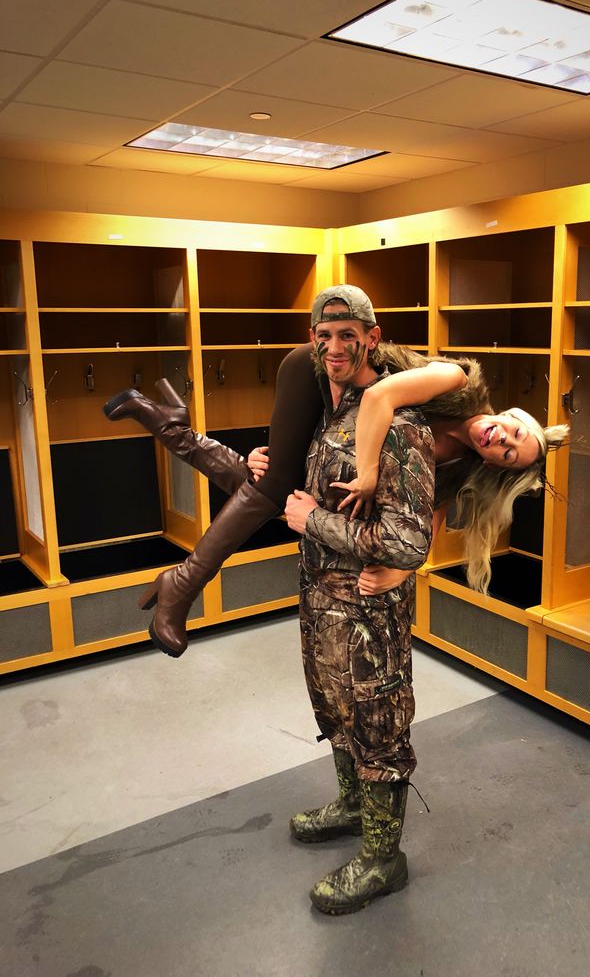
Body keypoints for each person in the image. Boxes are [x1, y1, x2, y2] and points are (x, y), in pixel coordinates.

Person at [103, 285, 566, 656]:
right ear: (509, 414)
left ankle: (169, 426)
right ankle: (181, 585)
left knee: (268, 486)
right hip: (322, 369)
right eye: (513, 433)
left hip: (338, 406)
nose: (501, 441)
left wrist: (402, 572)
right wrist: (365, 475)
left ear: (493, 467)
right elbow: (376, 399)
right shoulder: (457, 382)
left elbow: (426, 521)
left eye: (508, 455)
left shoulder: (461, 466)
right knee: (272, 489)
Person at [281, 285, 434, 914]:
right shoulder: (330, 409)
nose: (335, 346)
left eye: (349, 334)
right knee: (337, 714)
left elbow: (407, 541)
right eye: (326, 335)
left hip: (370, 618)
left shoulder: (398, 424)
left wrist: (313, 522)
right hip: (323, 608)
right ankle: (351, 807)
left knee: (377, 730)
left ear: (373, 337)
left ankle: (383, 858)